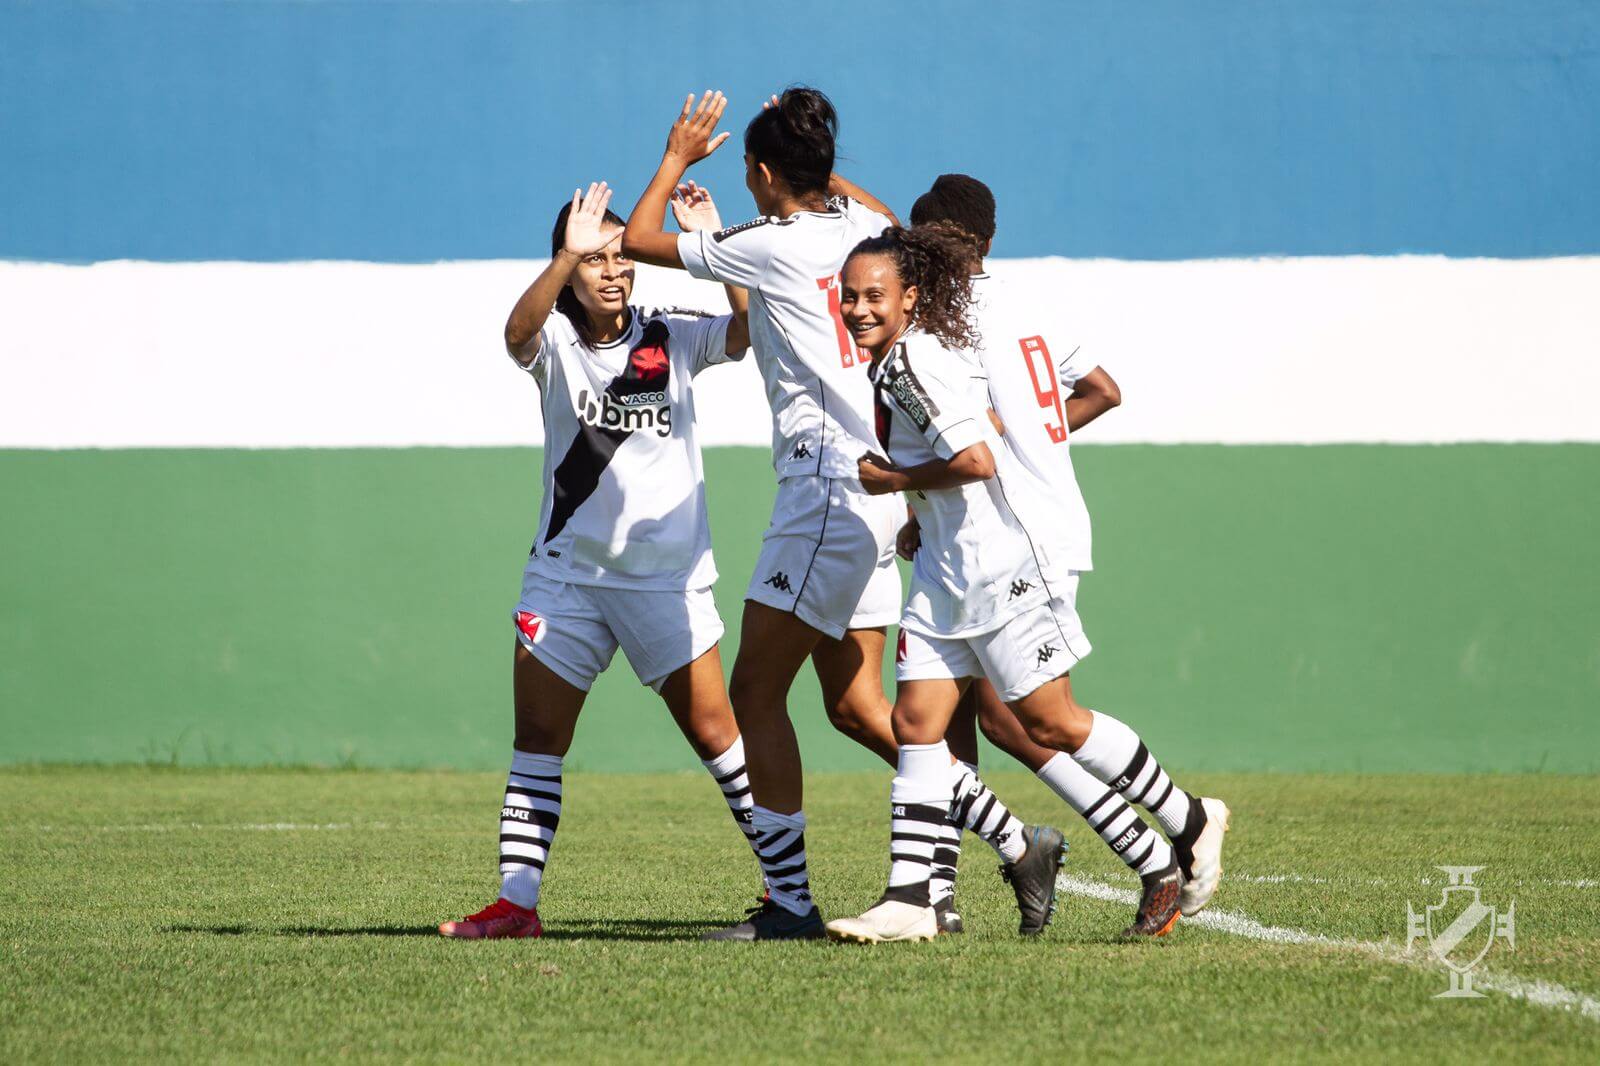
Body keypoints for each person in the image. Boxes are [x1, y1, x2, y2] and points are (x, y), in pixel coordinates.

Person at [623, 91, 1059, 940]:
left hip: (824, 491)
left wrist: (677, 154)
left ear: (757, 172)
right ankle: (1019, 842)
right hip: (869, 487)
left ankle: (788, 904)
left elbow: (640, 239)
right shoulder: (866, 239)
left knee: (753, 689)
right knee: (860, 710)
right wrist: (818, 165)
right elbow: (891, 218)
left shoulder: (771, 245)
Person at [823, 225, 1216, 942]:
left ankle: (1186, 817)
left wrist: (894, 482)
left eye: (873, 295)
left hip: (999, 570)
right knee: (916, 726)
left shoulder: (912, 363)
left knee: (1050, 722)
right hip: (946, 577)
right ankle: (912, 898)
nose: (857, 309)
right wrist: (922, 514)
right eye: (847, 296)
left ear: (909, 297)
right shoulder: (904, 359)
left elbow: (976, 459)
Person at [439, 182, 763, 939]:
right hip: (567, 580)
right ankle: (517, 907)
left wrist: (715, 256)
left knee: (720, 738)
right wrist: (563, 256)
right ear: (571, 272)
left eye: (621, 257)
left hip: (666, 579)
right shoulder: (553, 342)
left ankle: (789, 894)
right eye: (595, 260)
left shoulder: (671, 331)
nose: (612, 270)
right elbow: (515, 331)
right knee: (538, 741)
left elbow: (746, 337)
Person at [906, 174, 1231, 921]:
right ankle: (940, 895)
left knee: (1042, 717)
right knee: (994, 718)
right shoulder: (1029, 307)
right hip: (1024, 524)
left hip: (1016, 537)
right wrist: (1036, 442)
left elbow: (966, 430)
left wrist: (960, 471)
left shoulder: (950, 321)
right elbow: (1104, 390)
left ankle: (1182, 823)